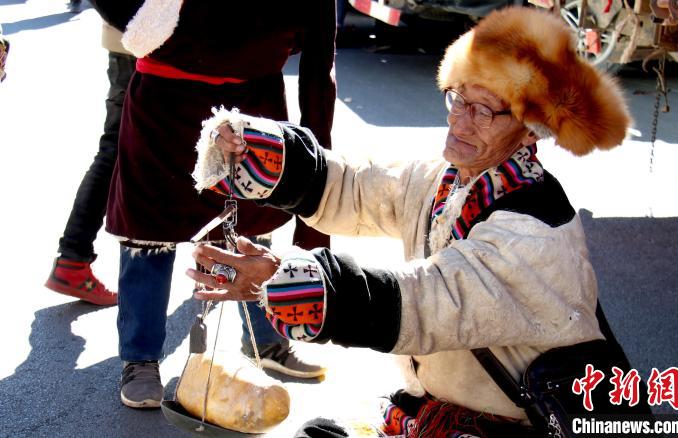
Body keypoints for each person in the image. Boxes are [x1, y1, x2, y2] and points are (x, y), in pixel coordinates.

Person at [188, 7, 636, 437]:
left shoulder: (535, 230)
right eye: (458, 99)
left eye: (484, 111)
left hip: (509, 426)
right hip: (436, 409)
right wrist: (257, 150)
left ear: (530, 128)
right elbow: (356, 188)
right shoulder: (448, 179)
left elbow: (429, 301)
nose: (461, 122)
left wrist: (287, 280)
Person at [88, 0, 336, 409]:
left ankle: (266, 342)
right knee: (148, 233)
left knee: (251, 230)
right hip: (163, 103)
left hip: (253, 102)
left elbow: (319, 65)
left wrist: (318, 171)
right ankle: (140, 358)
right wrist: (144, 20)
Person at [45, 23, 135, 306]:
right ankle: (73, 257)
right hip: (152, 44)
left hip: (134, 39)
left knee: (117, 148)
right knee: (121, 148)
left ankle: (72, 257)